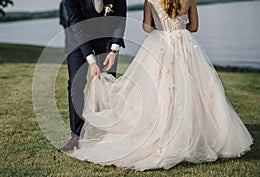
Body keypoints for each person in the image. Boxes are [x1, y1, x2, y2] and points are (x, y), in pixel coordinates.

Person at [68, 0, 254, 170]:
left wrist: (160, 24)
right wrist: (181, 26)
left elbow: (147, 27)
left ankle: (160, 133)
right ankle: (191, 137)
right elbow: (195, 27)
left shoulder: (151, 0)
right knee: (192, 89)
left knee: (158, 90)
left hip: (159, 44)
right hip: (185, 45)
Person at [58, 0, 127, 152]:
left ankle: (108, 133)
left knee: (108, 84)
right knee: (75, 85)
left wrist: (114, 50)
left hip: (105, 37)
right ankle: (76, 136)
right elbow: (78, 26)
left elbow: (120, 19)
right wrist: (91, 61)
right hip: (78, 37)